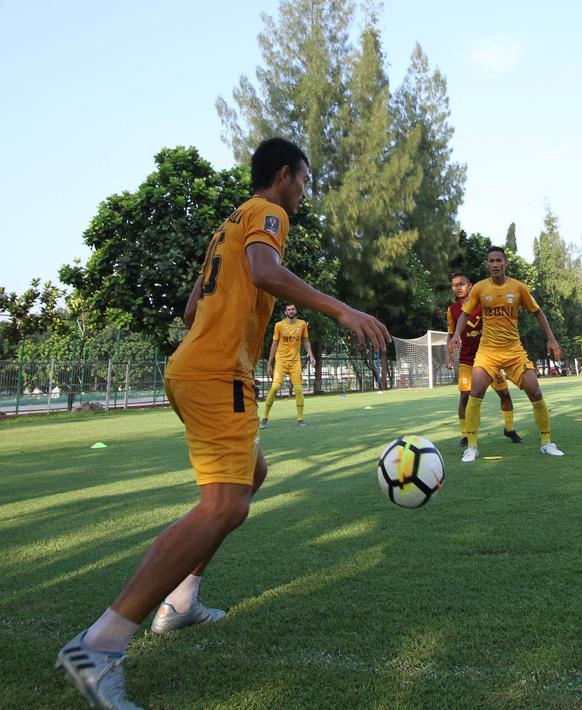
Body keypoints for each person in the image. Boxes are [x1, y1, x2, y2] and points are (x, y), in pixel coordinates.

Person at [55, 138, 391, 710]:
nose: (304, 194)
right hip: (216, 374)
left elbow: (192, 311)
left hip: (190, 367)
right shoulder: (269, 213)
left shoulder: (225, 227)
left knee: (250, 475)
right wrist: (340, 308)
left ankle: (181, 601)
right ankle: (101, 643)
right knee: (225, 506)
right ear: (284, 175)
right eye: (304, 182)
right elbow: (264, 271)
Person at [448, 246, 564, 462]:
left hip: (514, 352)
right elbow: (464, 315)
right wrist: (456, 335)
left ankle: (547, 443)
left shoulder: (518, 288)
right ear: (486, 264)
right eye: (491, 261)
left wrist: (551, 338)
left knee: (535, 391)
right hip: (487, 353)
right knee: (475, 393)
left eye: (498, 260)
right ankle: (471, 446)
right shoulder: (480, 288)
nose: (494, 264)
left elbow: (538, 312)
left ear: (505, 263)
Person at [446, 271, 523, 447]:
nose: (458, 288)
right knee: (465, 396)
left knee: (504, 393)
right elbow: (450, 334)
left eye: (462, 284)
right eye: (454, 285)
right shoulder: (452, 310)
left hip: (490, 359)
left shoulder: (482, 303)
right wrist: (447, 354)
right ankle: (465, 435)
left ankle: (509, 429)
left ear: (470, 285)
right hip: (467, 360)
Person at [260, 303, 314, 428]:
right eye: (288, 309)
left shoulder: (302, 324)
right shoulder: (279, 325)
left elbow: (305, 341)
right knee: (274, 388)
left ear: (296, 310)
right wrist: (270, 363)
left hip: (295, 362)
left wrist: (311, 355)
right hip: (281, 362)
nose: (291, 311)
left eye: (293, 309)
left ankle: (300, 419)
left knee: (299, 390)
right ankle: (265, 418)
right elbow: (274, 344)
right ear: (285, 312)